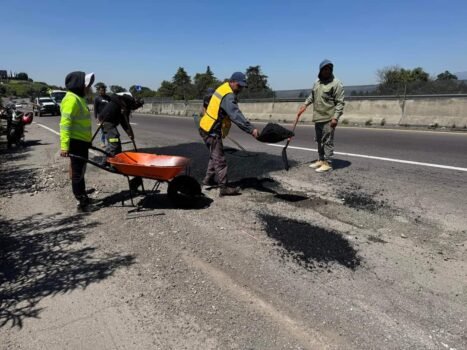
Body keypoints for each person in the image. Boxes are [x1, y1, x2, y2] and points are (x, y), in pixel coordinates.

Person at [198, 72, 259, 196]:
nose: (241, 88)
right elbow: (235, 115)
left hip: (205, 127)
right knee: (220, 160)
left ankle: (208, 180)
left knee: (214, 156)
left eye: (242, 86)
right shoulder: (228, 95)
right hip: (211, 131)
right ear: (232, 82)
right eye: (239, 85)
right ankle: (224, 187)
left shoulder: (223, 88)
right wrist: (251, 129)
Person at [297, 59, 345, 172]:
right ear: (321, 70)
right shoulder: (317, 82)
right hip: (318, 117)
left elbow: (340, 102)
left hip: (329, 117)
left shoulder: (336, 83)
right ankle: (321, 159)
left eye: (329, 69)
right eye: (325, 69)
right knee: (319, 140)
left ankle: (328, 163)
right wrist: (305, 105)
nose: (327, 71)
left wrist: (335, 117)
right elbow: (312, 96)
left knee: (328, 141)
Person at [60, 71, 95, 211]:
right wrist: (64, 146)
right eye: (86, 85)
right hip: (75, 143)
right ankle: (81, 202)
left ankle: (83, 195)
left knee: (81, 171)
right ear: (78, 85)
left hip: (82, 142)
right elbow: (65, 124)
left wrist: (88, 141)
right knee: (77, 172)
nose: (89, 87)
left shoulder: (79, 98)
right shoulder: (71, 99)